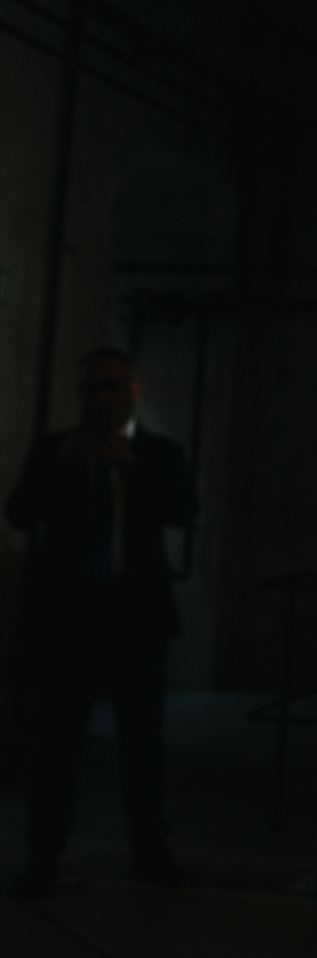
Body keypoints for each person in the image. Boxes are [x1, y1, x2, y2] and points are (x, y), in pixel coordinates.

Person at [8, 347, 197, 896]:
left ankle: (150, 848)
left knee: (142, 738)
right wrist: (64, 460)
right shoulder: (54, 451)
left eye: (113, 387)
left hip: (134, 615)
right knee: (57, 740)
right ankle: (43, 854)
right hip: (70, 617)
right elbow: (19, 512)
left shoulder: (158, 453)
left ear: (132, 392)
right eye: (93, 389)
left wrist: (132, 466)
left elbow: (184, 511)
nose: (103, 398)